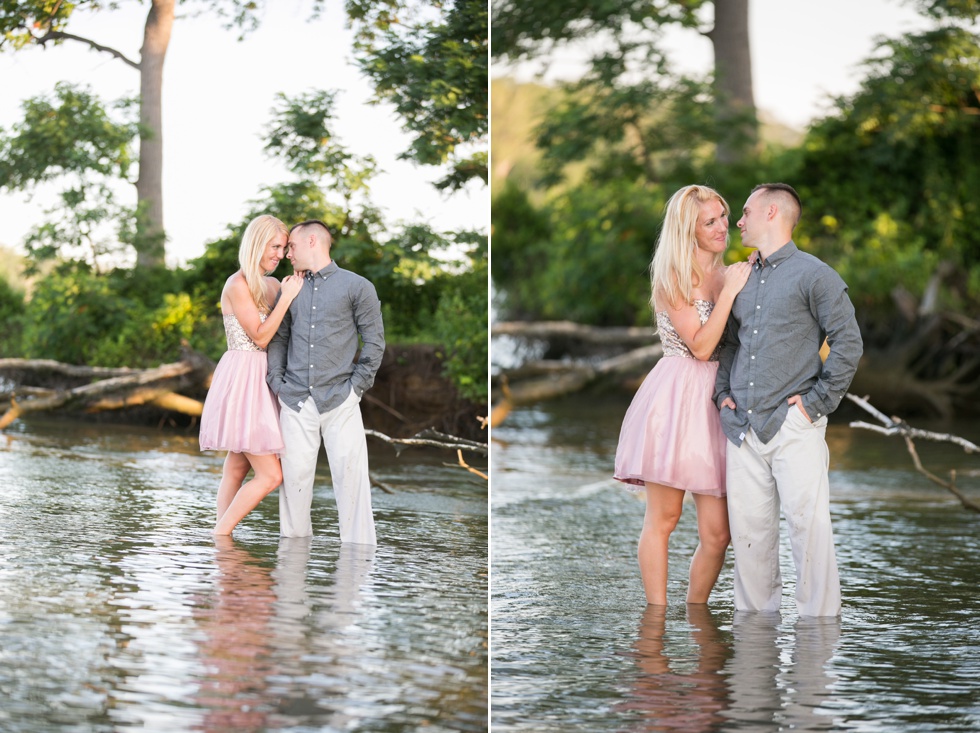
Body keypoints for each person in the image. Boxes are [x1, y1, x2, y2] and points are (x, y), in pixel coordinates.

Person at [714, 182, 863, 617]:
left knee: (809, 534)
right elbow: (730, 344)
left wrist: (815, 403)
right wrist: (722, 395)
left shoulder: (816, 274)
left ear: (773, 212)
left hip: (794, 425)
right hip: (741, 428)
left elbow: (848, 342)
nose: (737, 221)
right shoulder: (737, 276)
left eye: (745, 212)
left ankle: (817, 649)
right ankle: (754, 656)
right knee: (749, 541)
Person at [614, 185, 752, 606]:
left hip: (720, 398)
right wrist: (729, 292)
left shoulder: (729, 272)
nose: (723, 227)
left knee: (718, 533)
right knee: (665, 518)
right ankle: (655, 620)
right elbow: (701, 346)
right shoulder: (674, 277)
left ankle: (696, 615)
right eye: (710, 222)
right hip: (676, 400)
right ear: (687, 230)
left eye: (724, 217)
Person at [267, 219, 385, 544]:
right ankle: (292, 583)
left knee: (352, 486)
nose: (287, 253)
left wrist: (356, 387)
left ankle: (355, 576)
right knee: (293, 489)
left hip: (341, 399)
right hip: (294, 399)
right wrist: (276, 381)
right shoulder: (289, 287)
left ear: (313, 241)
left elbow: (374, 342)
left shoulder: (357, 287)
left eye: (291, 246)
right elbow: (279, 338)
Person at [199, 214, 305, 535]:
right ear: (257, 243)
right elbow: (260, 337)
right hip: (244, 378)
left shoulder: (272, 284)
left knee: (236, 466)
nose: (279, 254)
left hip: (266, 378)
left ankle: (219, 546)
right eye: (274, 246)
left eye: (283, 247)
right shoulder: (237, 284)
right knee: (271, 475)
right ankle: (222, 533)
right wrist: (286, 299)